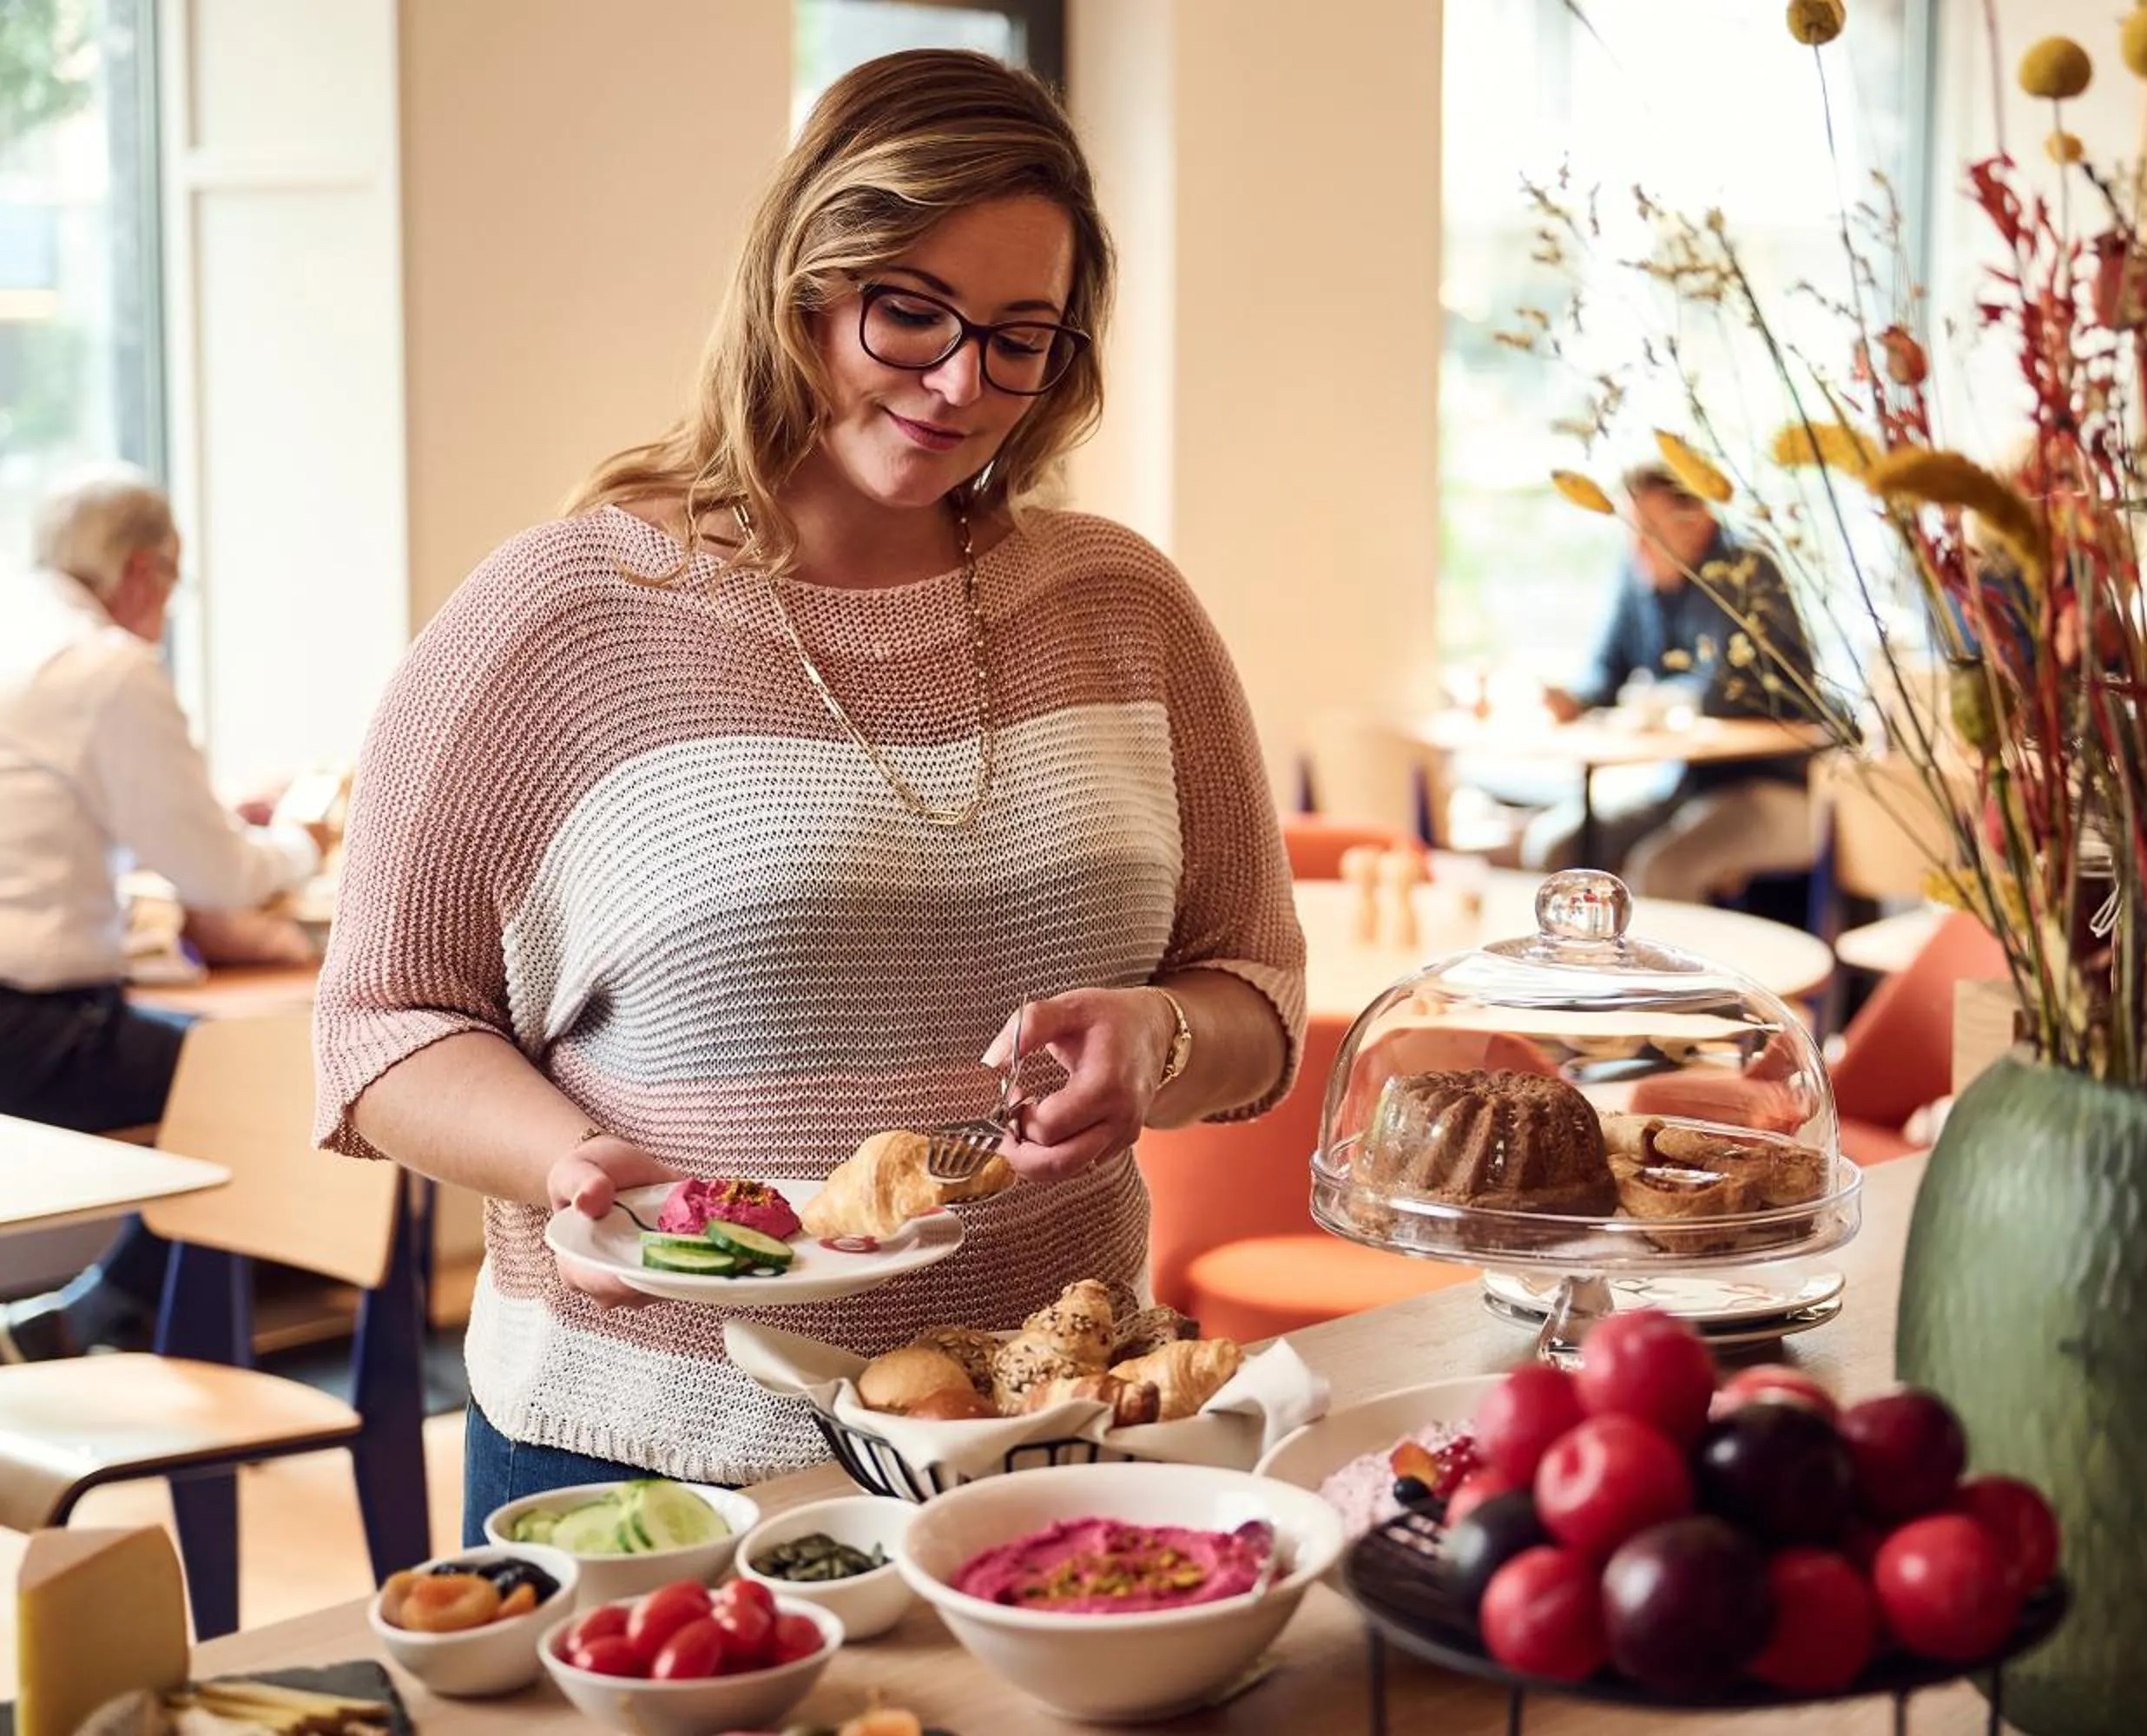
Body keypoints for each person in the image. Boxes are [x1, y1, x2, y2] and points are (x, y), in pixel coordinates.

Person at [313, 50, 1304, 1528]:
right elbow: (382, 1021)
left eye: (1021, 336)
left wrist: (1163, 1037)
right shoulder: (560, 614)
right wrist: (575, 1170)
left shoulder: (1124, 608)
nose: (962, 383)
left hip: (1045, 1432)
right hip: (655, 1449)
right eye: (910, 313)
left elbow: (1259, 993)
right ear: (800, 287)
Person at [0, 470, 323, 1361]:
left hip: (25, 1011)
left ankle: (109, 1316)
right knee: (283, 1082)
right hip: (28, 1027)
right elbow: (216, 873)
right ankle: (106, 1315)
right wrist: (303, 837)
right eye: (173, 587)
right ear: (143, 570)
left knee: (230, 1064)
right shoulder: (103, 666)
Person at [1521, 464, 1822, 903]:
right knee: (1557, 849)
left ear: (1700, 519)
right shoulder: (1639, 575)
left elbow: (1732, 693)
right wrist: (1573, 698)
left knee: (1662, 870)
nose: (1638, 544)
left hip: (1774, 784)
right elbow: (1607, 671)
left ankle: (1671, 974)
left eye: (1649, 529)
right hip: (1692, 785)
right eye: (1631, 529)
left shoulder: (1744, 571)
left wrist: (1655, 702)